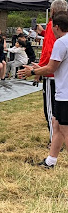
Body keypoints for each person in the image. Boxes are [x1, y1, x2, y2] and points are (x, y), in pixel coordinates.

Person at [18, 12, 68, 168]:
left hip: (65, 94)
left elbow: (52, 68)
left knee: (65, 129)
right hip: (63, 91)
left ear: (57, 26)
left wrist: (32, 72)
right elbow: (58, 68)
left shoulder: (61, 43)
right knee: (56, 124)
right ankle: (50, 161)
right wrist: (40, 68)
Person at [32, 0, 68, 142]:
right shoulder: (61, 30)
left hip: (51, 74)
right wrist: (43, 33)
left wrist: (38, 71)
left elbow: (48, 51)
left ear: (52, 12)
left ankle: (55, 141)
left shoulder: (54, 26)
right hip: (60, 74)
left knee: (52, 112)